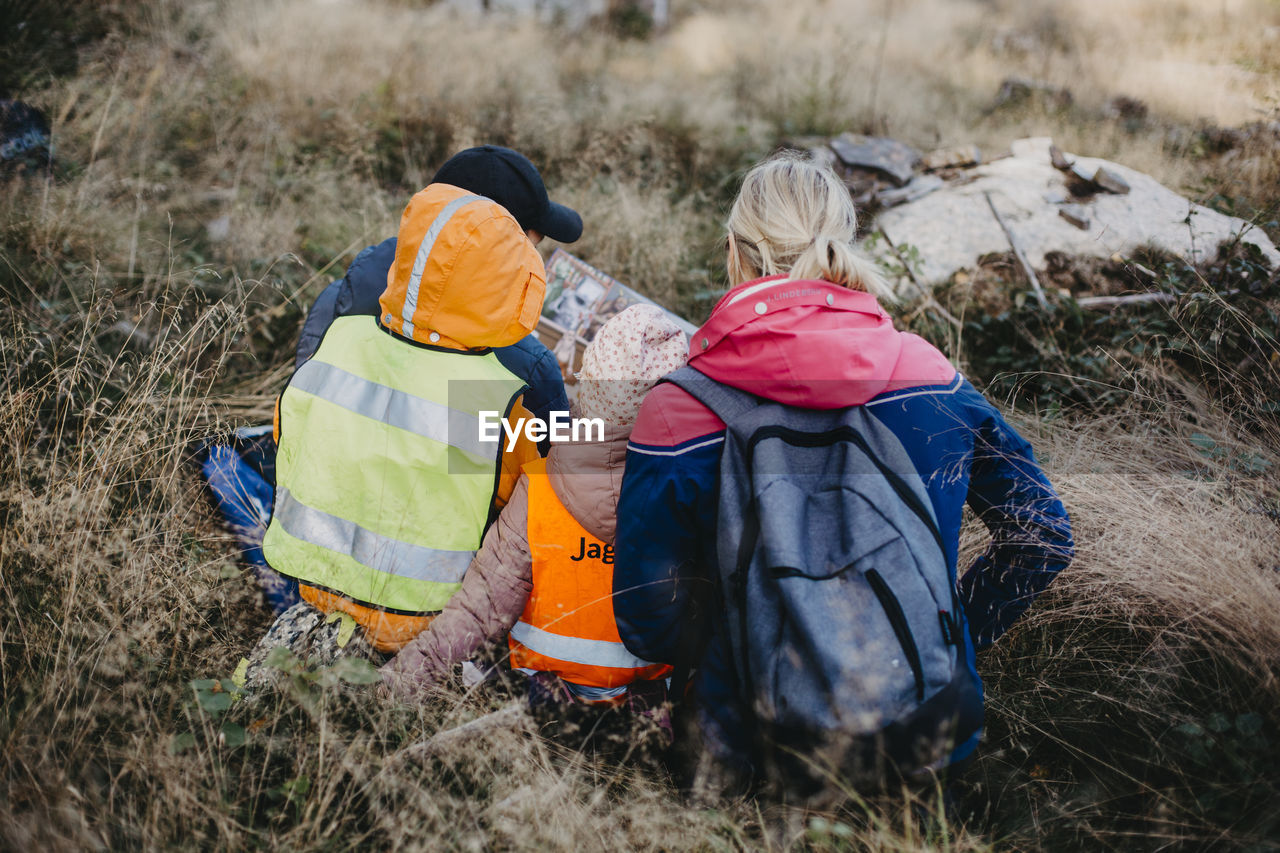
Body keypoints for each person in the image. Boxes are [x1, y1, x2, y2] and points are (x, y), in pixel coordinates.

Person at [611, 153, 1074, 794]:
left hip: (752, 751)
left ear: (734, 256)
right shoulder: (932, 377)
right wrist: (948, 635)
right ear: (840, 249)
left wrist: (733, 653)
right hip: (927, 736)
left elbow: (645, 613)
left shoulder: (678, 408)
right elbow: (1041, 535)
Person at [245, 182, 547, 680]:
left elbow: (286, 434)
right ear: (511, 290)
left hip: (314, 589)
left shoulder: (343, 340)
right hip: (418, 619)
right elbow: (521, 501)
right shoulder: (488, 394)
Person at [381, 304, 688, 707]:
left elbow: (482, 605)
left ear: (590, 385)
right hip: (646, 694)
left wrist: (397, 682)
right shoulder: (689, 496)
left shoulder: (540, 486)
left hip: (538, 689)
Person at [295, 145, 580, 432]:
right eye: (530, 248)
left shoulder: (335, 301)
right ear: (501, 240)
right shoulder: (531, 368)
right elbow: (549, 466)